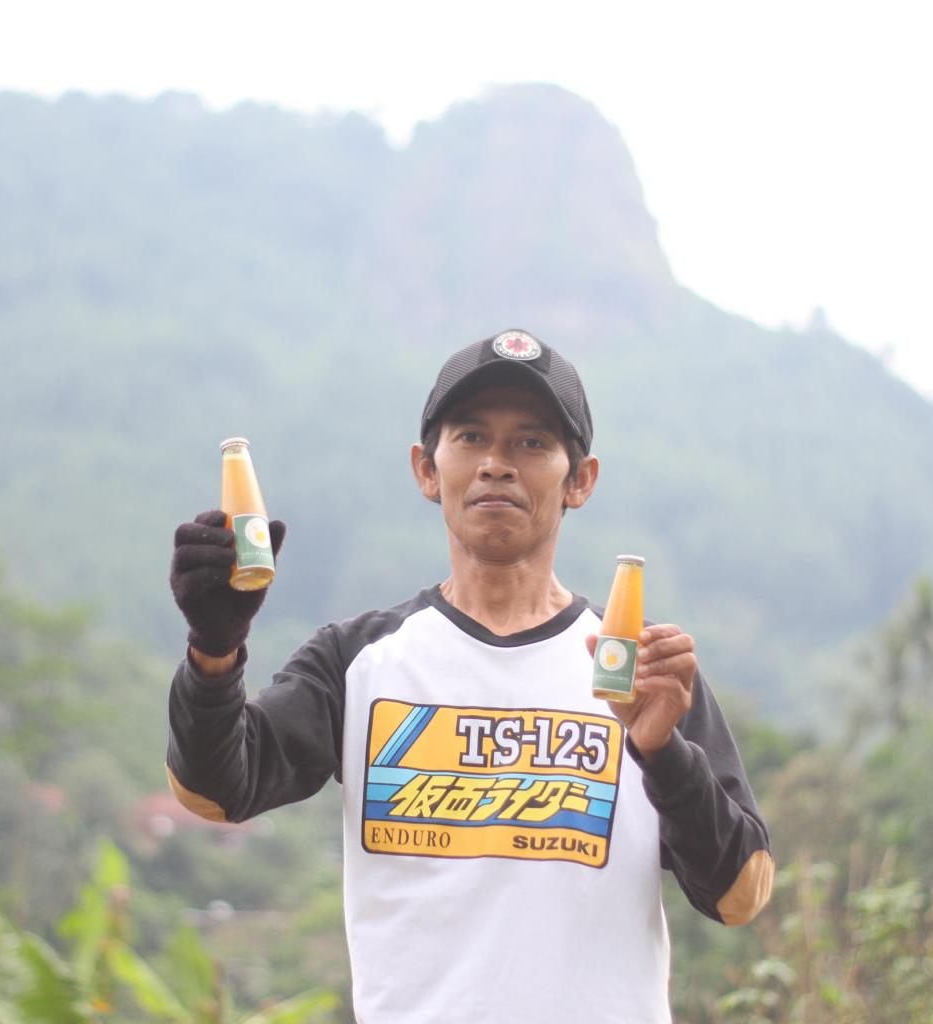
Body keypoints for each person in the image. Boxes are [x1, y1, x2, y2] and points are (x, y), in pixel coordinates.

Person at [166, 329, 773, 1022]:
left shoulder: (639, 674)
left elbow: (741, 895)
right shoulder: (357, 662)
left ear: (580, 480)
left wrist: (662, 751)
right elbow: (213, 792)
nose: (496, 465)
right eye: (471, 437)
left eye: (531, 443)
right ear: (426, 469)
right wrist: (214, 649)